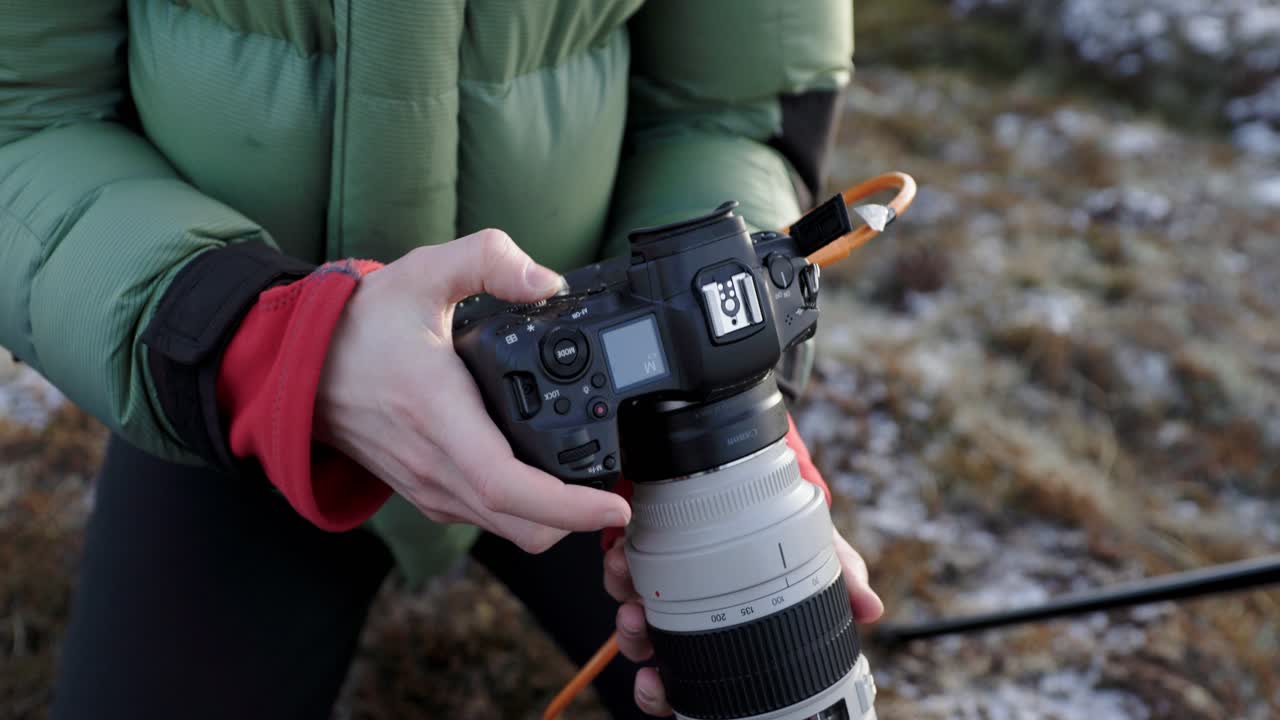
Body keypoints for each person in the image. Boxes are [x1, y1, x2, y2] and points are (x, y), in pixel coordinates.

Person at [0, 1, 882, 717]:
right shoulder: (248, 363)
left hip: (615, 435)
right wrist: (272, 345)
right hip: (234, 391)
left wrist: (703, 385)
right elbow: (21, 111)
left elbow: (732, 103)